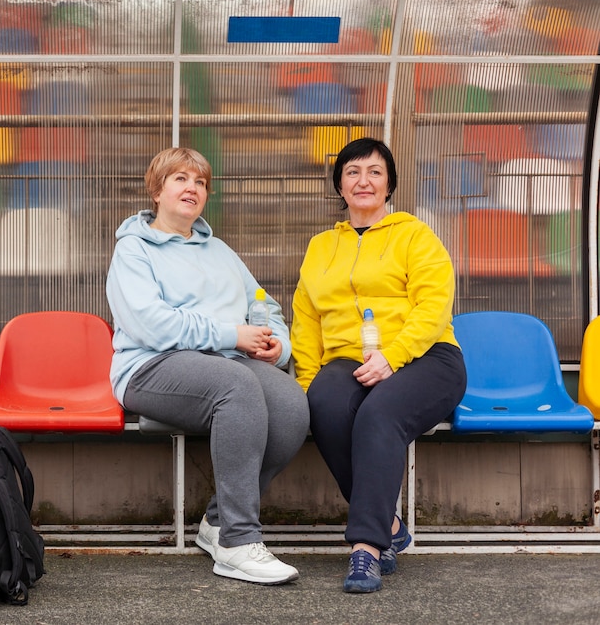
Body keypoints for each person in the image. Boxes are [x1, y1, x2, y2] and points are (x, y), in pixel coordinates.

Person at [106, 147, 309, 585]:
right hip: (151, 366)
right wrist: (230, 334)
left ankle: (216, 522)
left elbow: (265, 305)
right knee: (234, 385)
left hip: (225, 364)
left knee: (291, 405)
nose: (191, 188)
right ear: (157, 190)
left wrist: (276, 346)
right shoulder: (133, 250)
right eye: (180, 179)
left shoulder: (219, 250)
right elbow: (151, 325)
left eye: (199, 182)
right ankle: (238, 542)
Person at [291, 137, 467, 593]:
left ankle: (366, 549)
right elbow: (306, 320)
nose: (363, 180)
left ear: (389, 184)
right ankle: (387, 522)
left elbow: (433, 307)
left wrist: (394, 356)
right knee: (326, 405)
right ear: (340, 186)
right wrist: (310, 384)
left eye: (374, 171)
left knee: (378, 413)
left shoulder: (415, 235)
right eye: (352, 172)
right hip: (348, 359)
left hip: (428, 356)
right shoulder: (320, 246)